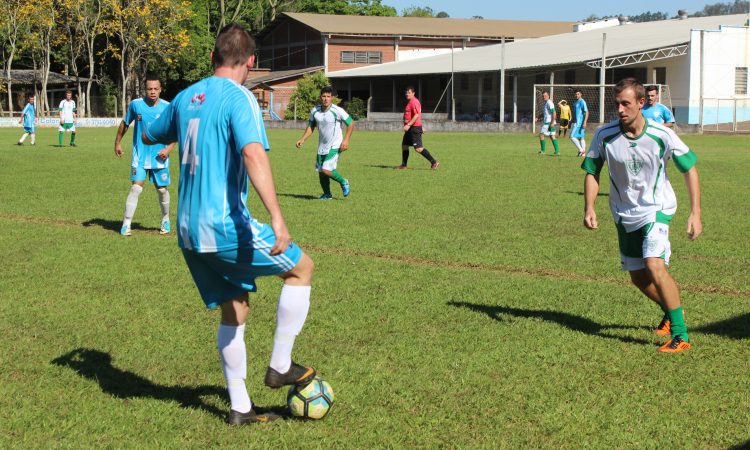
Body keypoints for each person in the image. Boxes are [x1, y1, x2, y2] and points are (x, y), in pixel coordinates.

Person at [143, 24, 317, 425]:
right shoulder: (241, 98)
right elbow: (253, 153)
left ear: (212, 58)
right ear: (251, 62)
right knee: (301, 268)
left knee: (235, 308)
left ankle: (240, 409)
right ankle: (280, 365)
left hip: (186, 231)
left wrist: (137, 111)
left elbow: (153, 130)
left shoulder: (186, 96)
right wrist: (278, 217)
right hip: (222, 225)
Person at [581, 78, 702, 353]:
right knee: (637, 276)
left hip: (656, 209)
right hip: (624, 212)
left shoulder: (662, 134)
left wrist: (695, 212)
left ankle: (681, 336)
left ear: (641, 103)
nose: (621, 110)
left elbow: (690, 169)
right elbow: (592, 171)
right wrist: (589, 208)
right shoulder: (604, 135)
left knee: (654, 264)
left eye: (626, 103)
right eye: (617, 104)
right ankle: (670, 314)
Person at [114, 74, 176, 236]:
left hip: (159, 157)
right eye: (149, 89)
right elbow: (125, 124)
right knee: (135, 188)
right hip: (139, 156)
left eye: (156, 89)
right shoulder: (136, 105)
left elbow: (176, 132)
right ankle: (126, 224)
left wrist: (168, 150)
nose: (153, 92)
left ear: (161, 90)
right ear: (145, 90)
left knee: (162, 190)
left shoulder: (167, 107)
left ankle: (165, 219)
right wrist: (118, 143)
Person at [295, 86, 355, 200]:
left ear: (332, 98)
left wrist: (346, 140)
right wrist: (302, 139)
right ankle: (327, 194)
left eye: (328, 96)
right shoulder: (315, 111)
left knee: (326, 169)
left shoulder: (337, 110)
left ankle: (344, 181)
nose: (326, 99)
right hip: (322, 146)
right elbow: (311, 127)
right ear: (320, 97)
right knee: (321, 172)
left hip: (335, 145)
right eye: (324, 96)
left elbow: (351, 123)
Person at [396, 86, 439, 170]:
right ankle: (404, 165)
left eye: (409, 92)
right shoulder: (410, 102)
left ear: (413, 93)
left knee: (418, 149)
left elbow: (416, 115)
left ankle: (434, 162)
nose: (407, 94)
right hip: (411, 129)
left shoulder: (414, 102)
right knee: (404, 145)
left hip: (414, 128)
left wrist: (408, 125)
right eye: (406, 92)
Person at [537, 90, 559, 155]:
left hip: (548, 123)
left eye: (545, 95)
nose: (544, 97)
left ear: (548, 96)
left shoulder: (549, 103)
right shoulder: (546, 103)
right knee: (552, 136)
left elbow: (554, 113)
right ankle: (557, 152)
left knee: (541, 135)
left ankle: (543, 151)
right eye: (543, 96)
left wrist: (552, 123)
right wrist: (538, 117)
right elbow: (546, 113)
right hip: (549, 122)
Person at [571, 89, 589, 157]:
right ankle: (583, 154)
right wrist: (571, 121)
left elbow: (587, 112)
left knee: (572, 137)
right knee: (581, 138)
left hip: (580, 123)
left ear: (581, 94)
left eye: (578, 94)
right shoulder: (575, 102)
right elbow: (575, 113)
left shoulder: (582, 102)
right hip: (576, 122)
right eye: (576, 94)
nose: (576, 95)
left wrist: (584, 122)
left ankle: (581, 150)